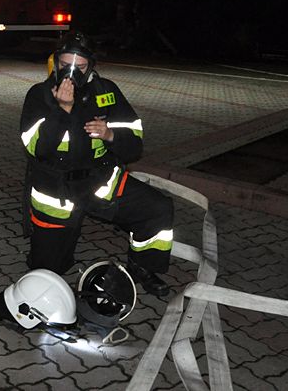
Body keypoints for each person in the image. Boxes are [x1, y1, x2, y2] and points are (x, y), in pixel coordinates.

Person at [19, 31, 174, 297]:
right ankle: (50, 257)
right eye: (65, 64)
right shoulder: (40, 95)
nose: (71, 72)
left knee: (157, 208)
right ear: (54, 62)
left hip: (101, 182)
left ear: (90, 66)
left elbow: (135, 145)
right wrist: (62, 110)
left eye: (79, 66)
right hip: (57, 192)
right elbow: (38, 150)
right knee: (45, 272)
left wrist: (111, 135)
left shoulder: (107, 92)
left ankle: (142, 267)